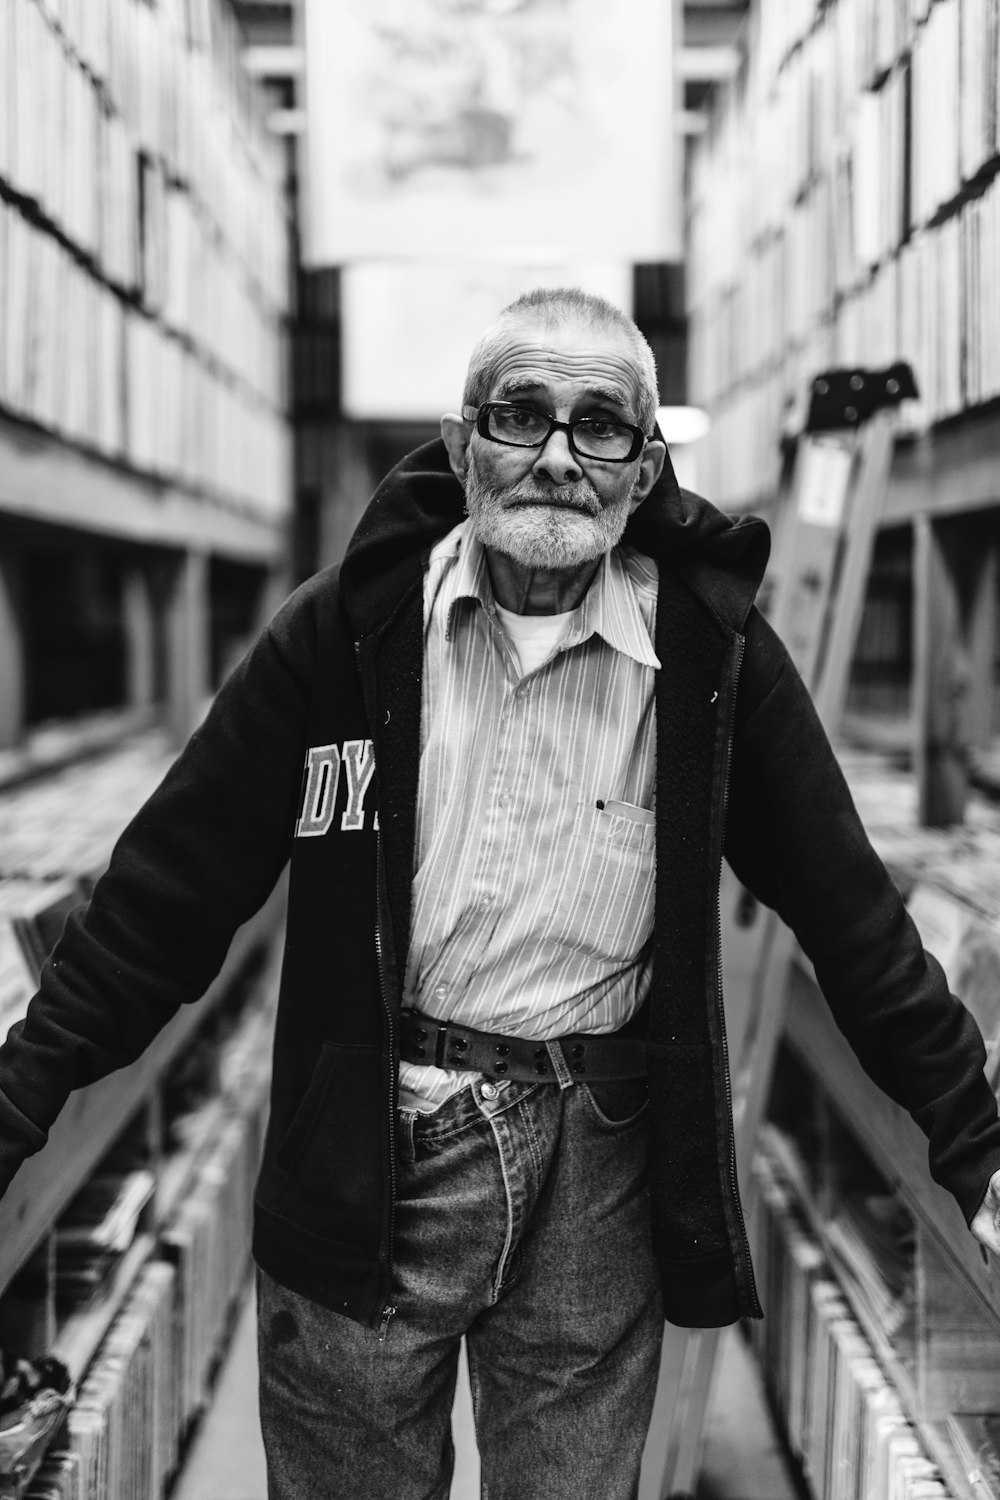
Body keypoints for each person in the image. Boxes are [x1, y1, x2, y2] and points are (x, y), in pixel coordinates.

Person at [1, 287, 1000, 1500]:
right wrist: (19, 1095)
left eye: (601, 426)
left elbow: (854, 920)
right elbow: (167, 892)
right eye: (520, 414)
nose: (558, 458)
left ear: (644, 469)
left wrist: (977, 1144)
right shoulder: (343, 634)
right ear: (463, 440)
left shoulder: (711, 660)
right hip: (367, 1152)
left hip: (599, 1166)